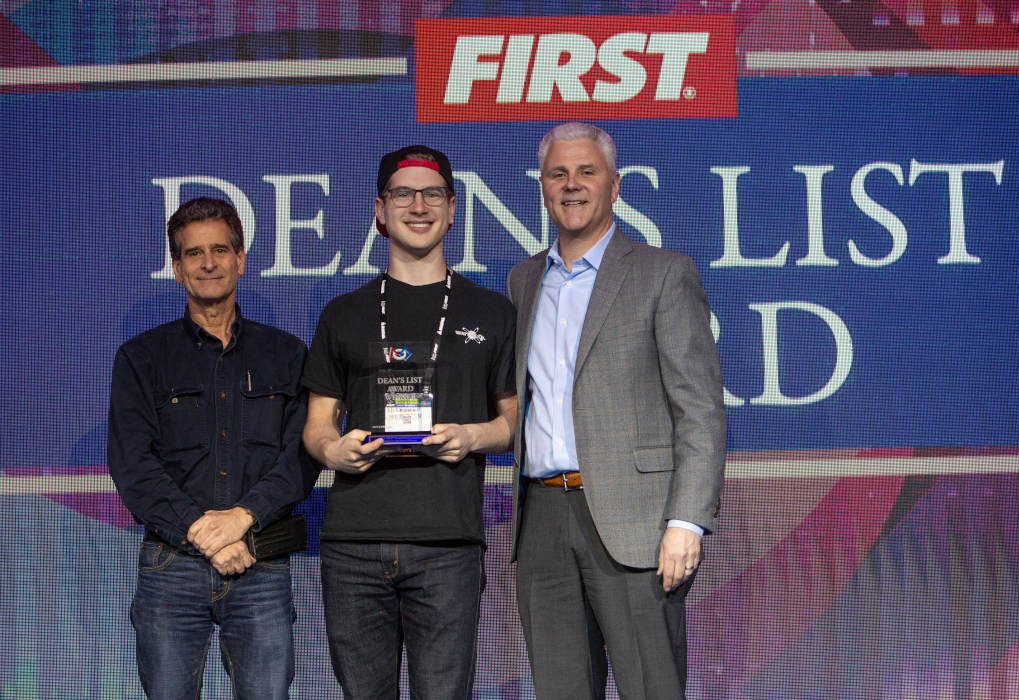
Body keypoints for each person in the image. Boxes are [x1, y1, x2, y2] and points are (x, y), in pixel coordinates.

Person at [506, 123, 726, 700]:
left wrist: (687, 521)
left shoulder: (663, 273)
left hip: (638, 525)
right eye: (558, 174)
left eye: (586, 172)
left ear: (615, 185)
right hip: (543, 523)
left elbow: (699, 410)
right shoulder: (524, 280)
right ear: (542, 188)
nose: (572, 185)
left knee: (651, 688)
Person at [301, 145, 517, 699]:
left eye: (432, 194)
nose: (417, 205)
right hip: (353, 545)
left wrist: (471, 436)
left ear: (452, 210)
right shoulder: (343, 312)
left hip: (447, 544)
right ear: (379, 210)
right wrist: (333, 452)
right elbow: (317, 423)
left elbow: (512, 423)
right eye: (402, 193)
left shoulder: (492, 311)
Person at [108, 197, 318, 699]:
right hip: (171, 567)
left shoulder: (288, 355)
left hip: (260, 564)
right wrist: (207, 535)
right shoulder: (141, 358)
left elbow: (302, 457)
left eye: (220, 250)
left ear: (241, 260)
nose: (208, 263)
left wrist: (241, 519)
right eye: (194, 253)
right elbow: (134, 466)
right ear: (177, 267)